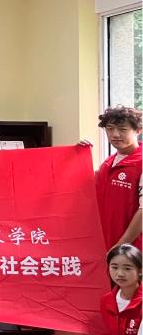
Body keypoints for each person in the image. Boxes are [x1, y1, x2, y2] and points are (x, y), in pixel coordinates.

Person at [96, 106, 142, 250]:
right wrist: (77, 155)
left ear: (138, 130)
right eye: (110, 129)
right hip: (106, 244)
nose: (115, 134)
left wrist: (119, 246)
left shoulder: (140, 162)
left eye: (123, 129)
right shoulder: (108, 163)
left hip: (131, 251)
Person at [100, 244, 141, 335]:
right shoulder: (106, 301)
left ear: (140, 271)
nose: (120, 274)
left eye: (127, 268)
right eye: (114, 267)